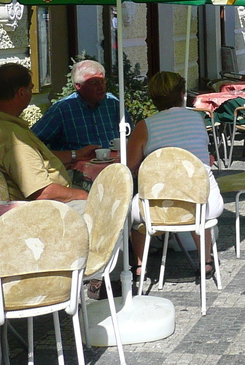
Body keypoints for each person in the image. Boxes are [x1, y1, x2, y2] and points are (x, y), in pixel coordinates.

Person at [126, 72, 224, 278]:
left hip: (157, 208)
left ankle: (139, 265)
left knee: (132, 215)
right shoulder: (197, 119)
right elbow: (203, 156)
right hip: (204, 204)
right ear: (182, 95)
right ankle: (205, 261)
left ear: (153, 99)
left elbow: (130, 166)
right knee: (196, 198)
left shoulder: (145, 126)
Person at [0, 63, 89, 208]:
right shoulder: (14, 140)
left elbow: (35, 159)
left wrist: (76, 155)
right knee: (107, 206)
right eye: (30, 88)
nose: (31, 92)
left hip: (35, 202)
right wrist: (82, 195)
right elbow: (41, 192)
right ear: (21, 93)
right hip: (44, 209)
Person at [33, 59, 131, 163]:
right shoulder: (62, 110)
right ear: (78, 86)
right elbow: (30, 143)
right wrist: (74, 154)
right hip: (78, 174)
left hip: (115, 169)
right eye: (94, 82)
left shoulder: (113, 103)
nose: (101, 87)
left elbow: (131, 135)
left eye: (102, 81)